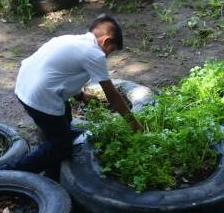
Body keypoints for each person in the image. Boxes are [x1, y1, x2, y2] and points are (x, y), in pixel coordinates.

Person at [12, 14, 142, 177]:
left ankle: (52, 170)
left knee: (64, 121)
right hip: (40, 99)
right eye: (112, 50)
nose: (109, 55)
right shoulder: (95, 53)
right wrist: (135, 126)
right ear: (106, 41)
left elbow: (61, 75)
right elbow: (112, 95)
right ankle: (13, 172)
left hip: (24, 88)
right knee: (62, 145)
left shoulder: (69, 40)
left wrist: (80, 95)